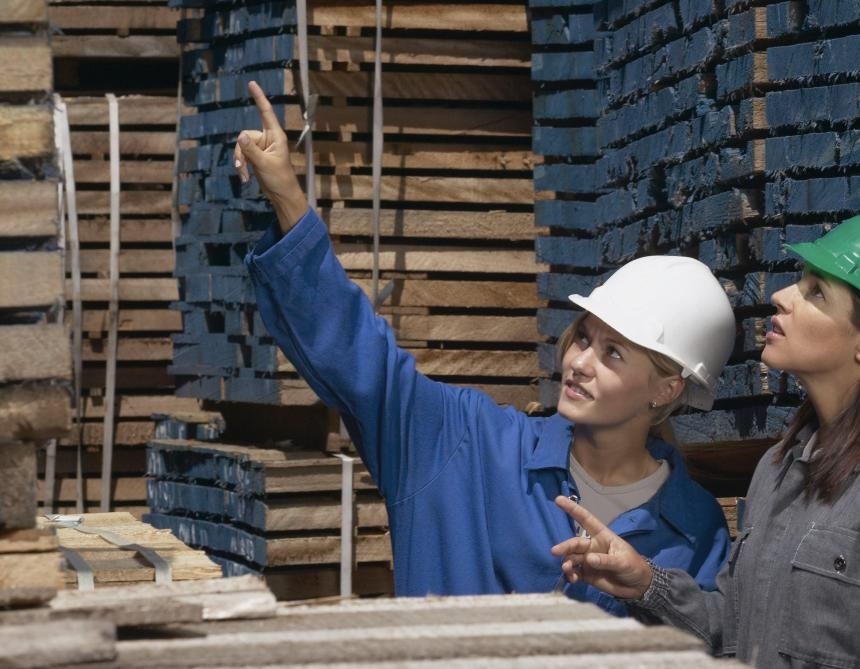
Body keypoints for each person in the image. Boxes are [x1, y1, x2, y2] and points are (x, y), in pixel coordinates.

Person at [233, 81, 735, 614]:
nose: (578, 363)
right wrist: (288, 198)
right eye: (583, 338)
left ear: (667, 388)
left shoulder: (696, 529)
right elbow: (359, 358)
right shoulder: (464, 444)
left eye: (613, 353)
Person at [552, 208, 860, 665]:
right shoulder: (780, 466)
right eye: (799, 282)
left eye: (816, 292)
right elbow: (735, 634)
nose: (782, 296)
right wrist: (646, 584)